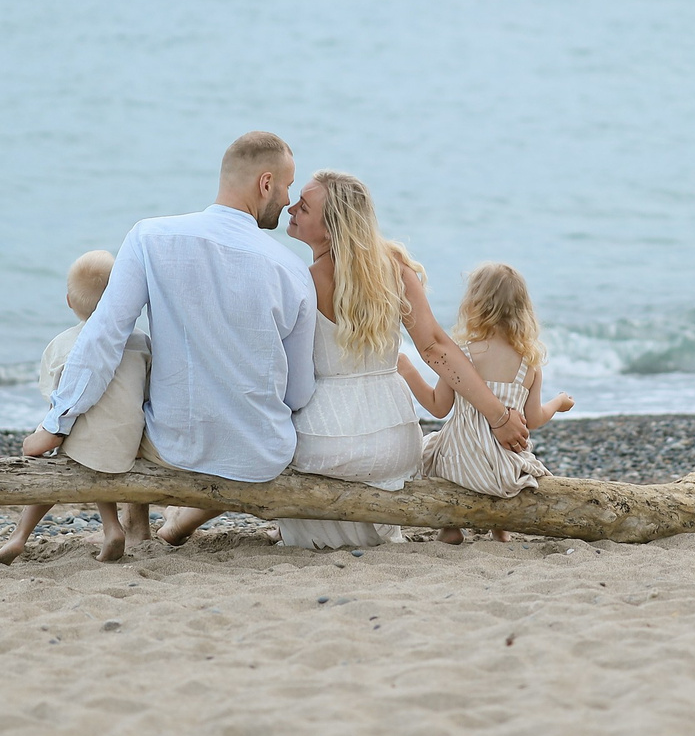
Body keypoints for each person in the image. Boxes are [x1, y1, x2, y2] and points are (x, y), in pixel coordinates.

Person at [32, 133, 316, 542]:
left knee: (130, 371)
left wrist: (58, 422)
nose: (288, 199)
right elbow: (298, 395)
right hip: (260, 456)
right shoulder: (293, 270)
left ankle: (135, 525)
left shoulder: (150, 238)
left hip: (174, 450)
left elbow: (105, 335)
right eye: (288, 186)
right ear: (266, 183)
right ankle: (165, 522)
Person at [269, 171, 526, 550]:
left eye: (303, 207)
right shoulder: (394, 270)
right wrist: (498, 416)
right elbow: (436, 347)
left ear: (331, 228)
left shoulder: (305, 280)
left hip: (323, 440)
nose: (291, 208)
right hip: (394, 442)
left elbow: (288, 370)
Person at [0, 250, 154, 565]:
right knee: (97, 446)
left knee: (62, 455)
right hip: (129, 444)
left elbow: (57, 400)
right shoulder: (141, 342)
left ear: (69, 302)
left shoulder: (63, 345)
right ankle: (112, 527)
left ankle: (19, 536)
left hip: (87, 447)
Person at [400, 261, 574, 543]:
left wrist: (408, 371)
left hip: (460, 464)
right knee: (516, 453)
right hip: (503, 471)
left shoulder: (463, 357)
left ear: (474, 304)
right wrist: (559, 402)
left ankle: (451, 528)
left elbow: (438, 407)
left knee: (430, 449)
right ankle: (500, 528)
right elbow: (534, 420)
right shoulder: (529, 365)